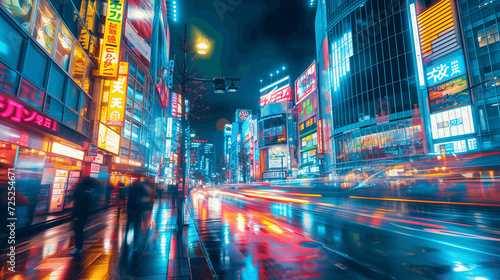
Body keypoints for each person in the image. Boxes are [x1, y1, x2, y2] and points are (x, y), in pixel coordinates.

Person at [72, 176, 97, 254]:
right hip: (84, 213)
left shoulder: (80, 189)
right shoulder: (90, 189)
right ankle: (78, 247)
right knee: (79, 230)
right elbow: (90, 202)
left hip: (79, 213)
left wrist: (75, 215)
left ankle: (78, 248)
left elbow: (78, 202)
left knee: (78, 231)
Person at [126, 177, 150, 249]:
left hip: (131, 209)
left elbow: (129, 198)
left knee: (129, 226)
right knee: (137, 226)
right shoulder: (142, 189)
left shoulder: (130, 188)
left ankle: (126, 243)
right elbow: (145, 198)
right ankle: (135, 245)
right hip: (138, 209)